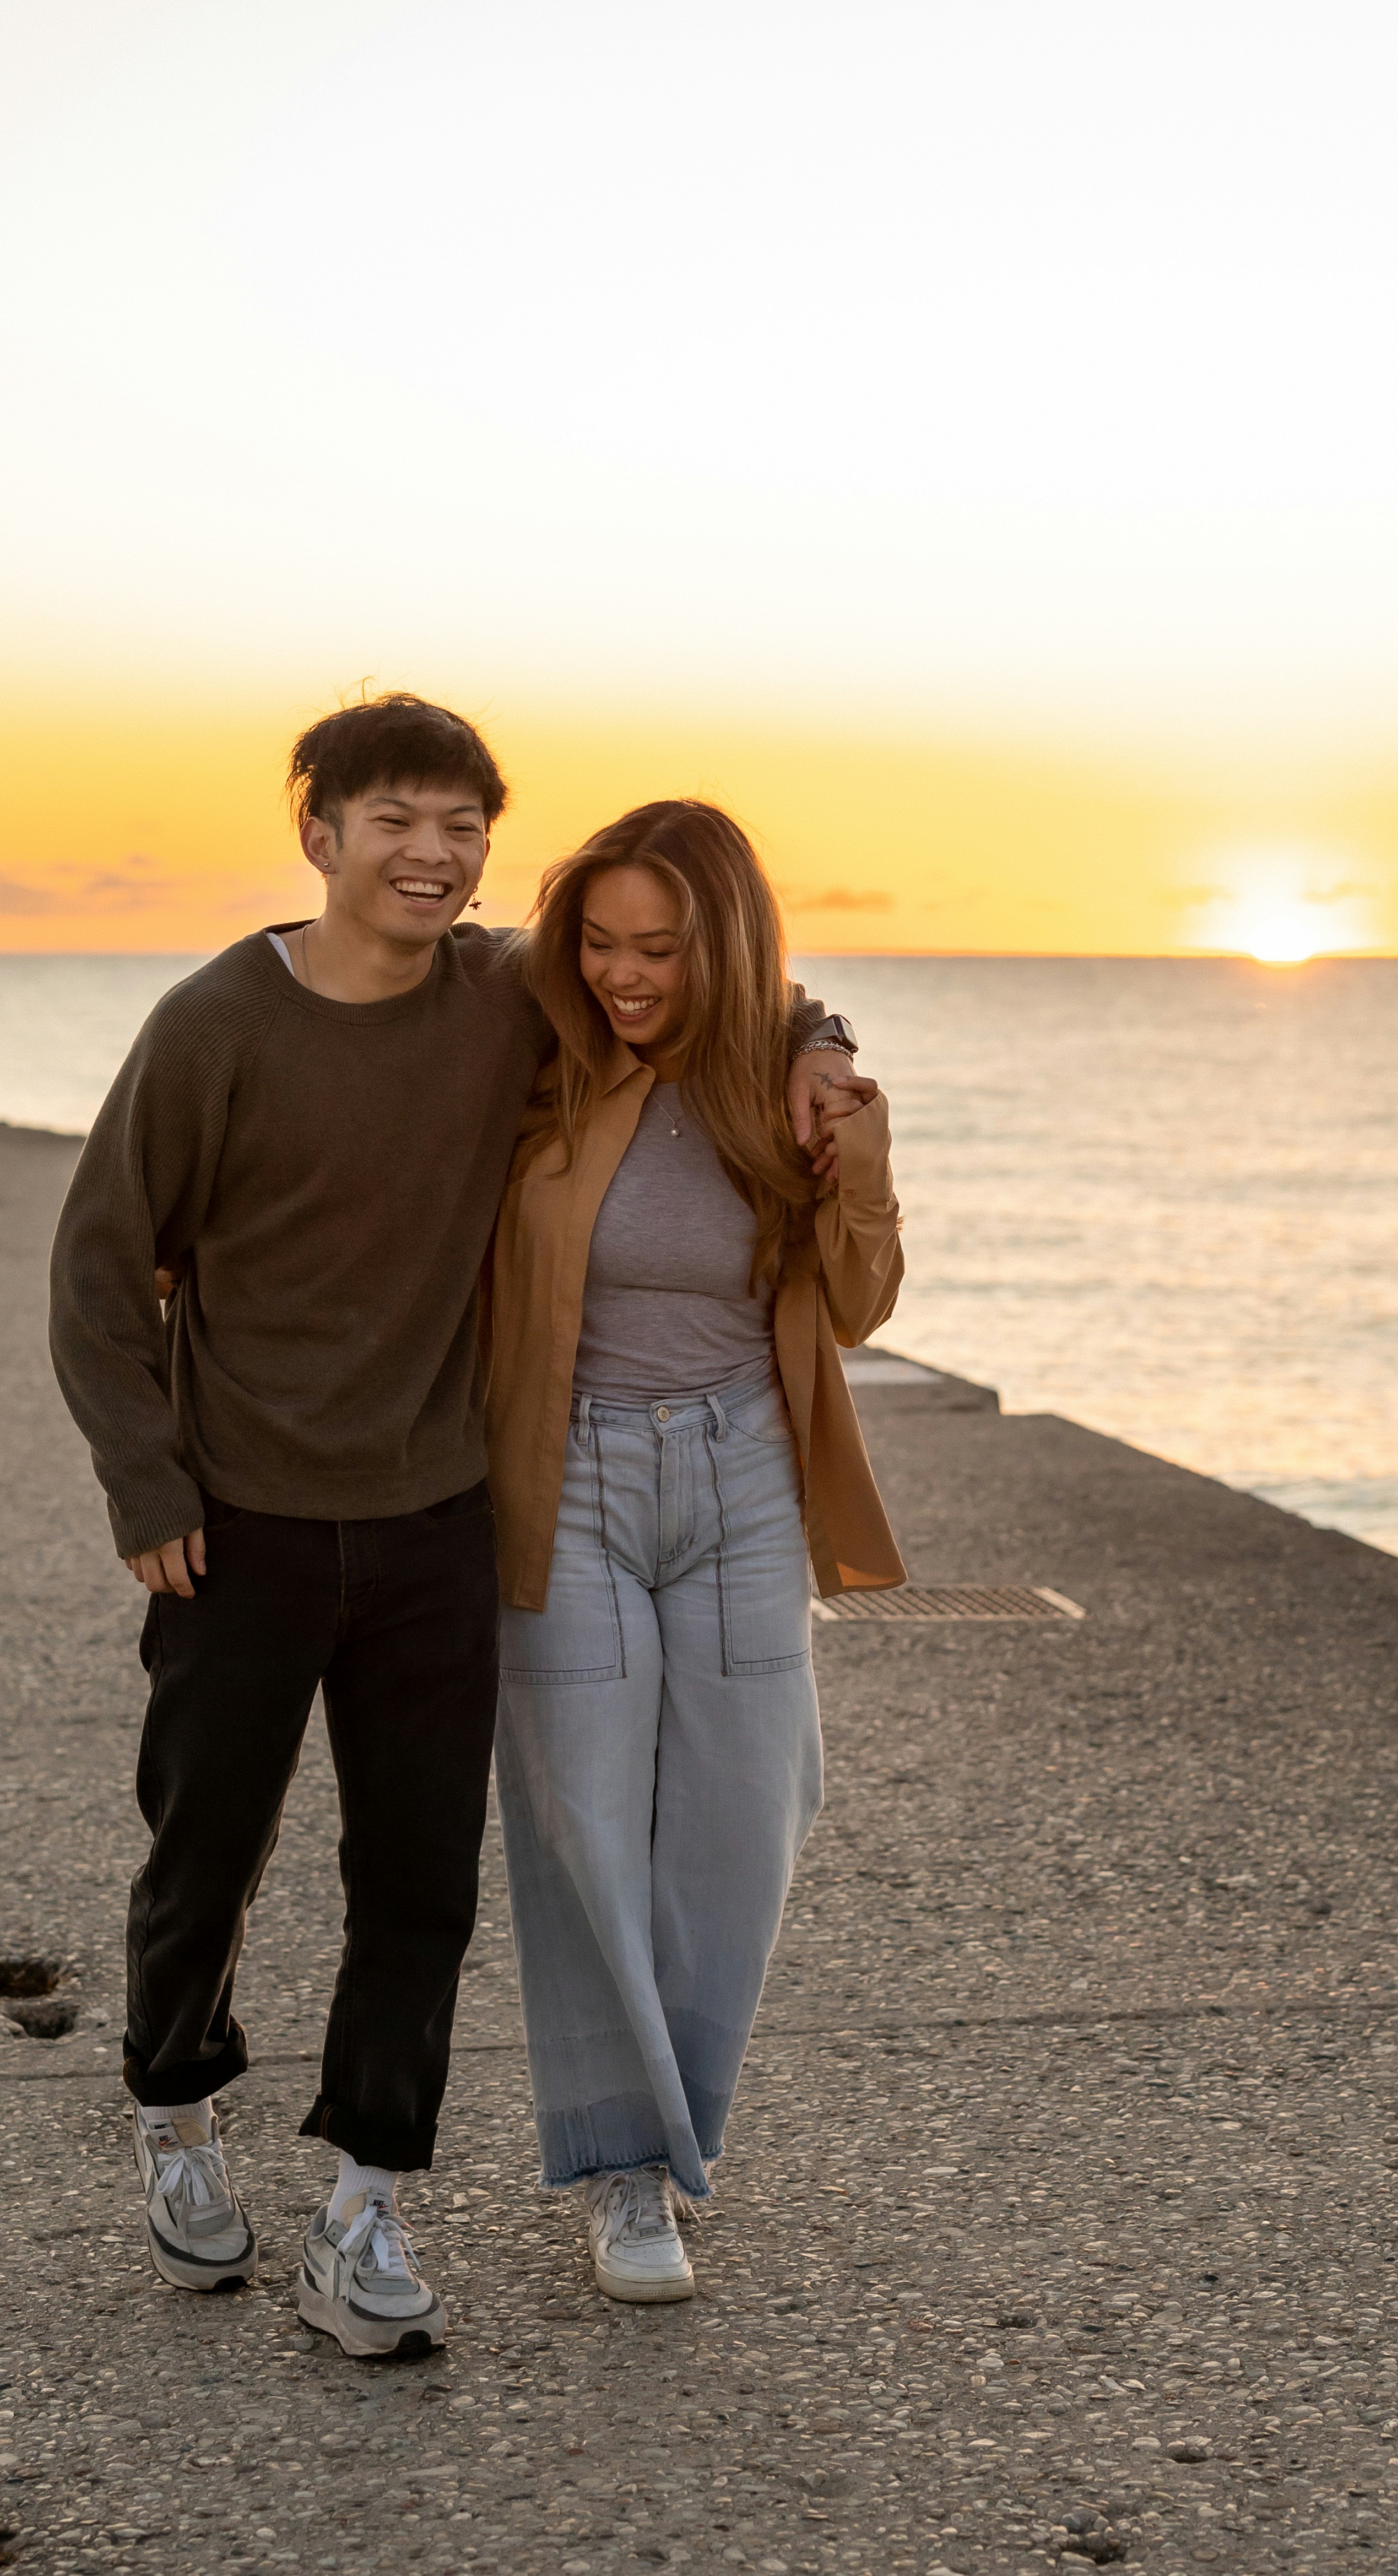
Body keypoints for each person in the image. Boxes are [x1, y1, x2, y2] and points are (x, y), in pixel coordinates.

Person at [47, 696, 855, 2357]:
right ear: (320, 834)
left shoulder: (509, 997)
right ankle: (175, 2103)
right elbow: (98, 1263)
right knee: (209, 1846)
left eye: (461, 827)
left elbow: (714, 987)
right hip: (243, 1521)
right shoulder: (215, 1023)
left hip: (436, 1513)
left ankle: (368, 2197)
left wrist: (829, 1046)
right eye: (394, 821)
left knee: (420, 1883)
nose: (431, 853)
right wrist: (149, 1484)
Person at [485, 799, 905, 2302]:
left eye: (658, 946)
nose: (621, 972)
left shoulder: (789, 1089)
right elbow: (401, 967)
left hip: (741, 1474)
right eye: (598, 940)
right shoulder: (537, 1039)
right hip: (574, 1467)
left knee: (750, 1808)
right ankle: (627, 2177)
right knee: (583, 1821)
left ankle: (673, 2124)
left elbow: (859, 1306)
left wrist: (851, 1136)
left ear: (722, 946)